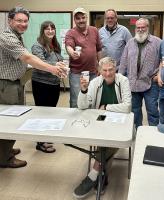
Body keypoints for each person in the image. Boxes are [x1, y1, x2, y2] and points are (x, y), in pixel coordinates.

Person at [0, 6, 65, 168]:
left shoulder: (17, 36)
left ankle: (6, 150)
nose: (23, 24)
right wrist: (53, 68)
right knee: (8, 121)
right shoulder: (6, 37)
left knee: (13, 118)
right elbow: (28, 57)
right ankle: (4, 158)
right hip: (7, 84)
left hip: (16, 83)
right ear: (10, 21)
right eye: (19, 20)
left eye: (25, 21)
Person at [73, 57, 131, 199]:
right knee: (104, 140)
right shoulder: (95, 82)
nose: (107, 73)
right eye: (104, 70)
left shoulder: (123, 81)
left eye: (110, 69)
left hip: (120, 122)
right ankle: (102, 174)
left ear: (115, 69)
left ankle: (93, 175)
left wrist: (106, 107)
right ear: (99, 71)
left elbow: (127, 106)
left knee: (110, 140)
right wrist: (84, 90)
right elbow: (82, 106)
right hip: (100, 122)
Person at [119, 18, 161, 129]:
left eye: (143, 27)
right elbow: (123, 61)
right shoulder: (130, 43)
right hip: (133, 83)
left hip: (150, 83)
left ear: (148, 27)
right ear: (135, 28)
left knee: (152, 110)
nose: (140, 29)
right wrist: (119, 78)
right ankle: (138, 132)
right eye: (138, 27)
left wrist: (160, 74)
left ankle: (153, 133)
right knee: (135, 111)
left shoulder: (157, 42)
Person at [31, 21, 65, 153]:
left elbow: (57, 61)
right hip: (41, 84)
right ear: (42, 31)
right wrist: (57, 66)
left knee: (50, 111)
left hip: (54, 83)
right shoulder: (37, 45)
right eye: (47, 29)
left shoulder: (55, 45)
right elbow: (40, 64)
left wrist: (62, 66)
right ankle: (40, 143)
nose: (50, 31)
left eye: (52, 28)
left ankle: (45, 136)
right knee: (42, 112)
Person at [65, 7, 102, 108]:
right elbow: (69, 46)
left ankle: (89, 121)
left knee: (92, 98)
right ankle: (74, 122)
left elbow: (98, 49)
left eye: (83, 17)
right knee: (76, 99)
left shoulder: (94, 30)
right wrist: (72, 53)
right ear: (74, 20)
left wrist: (100, 65)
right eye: (78, 18)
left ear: (86, 18)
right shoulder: (70, 33)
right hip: (77, 73)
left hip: (93, 72)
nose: (81, 20)